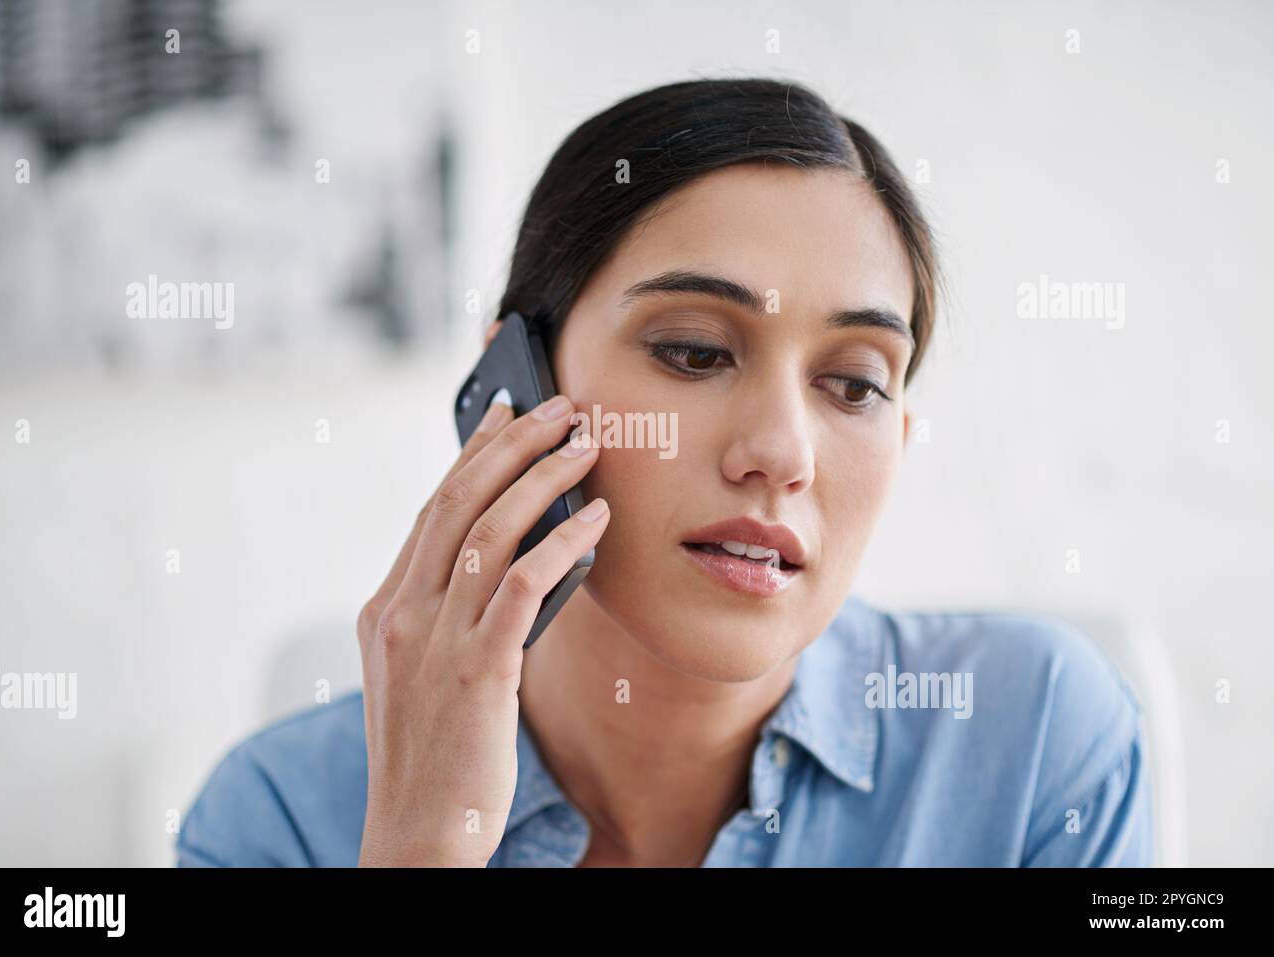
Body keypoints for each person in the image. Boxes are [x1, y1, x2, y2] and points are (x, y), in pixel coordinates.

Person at [176, 77, 1152, 868]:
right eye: (692, 352)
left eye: (854, 384)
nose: (780, 453)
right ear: (514, 393)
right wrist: (422, 853)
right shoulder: (277, 821)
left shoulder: (1034, 742)